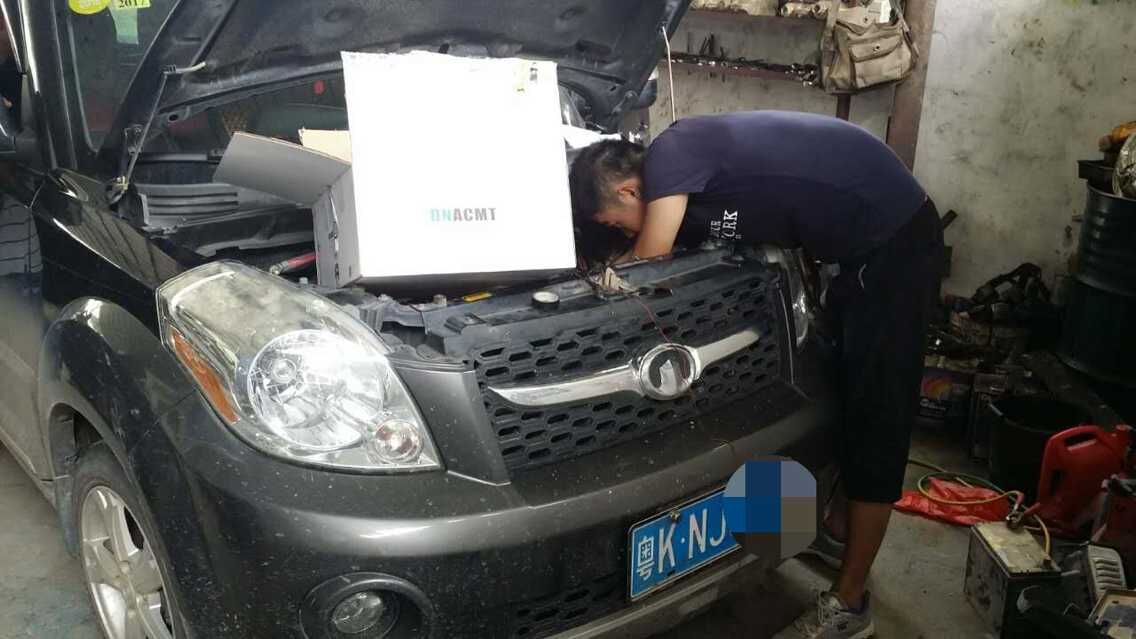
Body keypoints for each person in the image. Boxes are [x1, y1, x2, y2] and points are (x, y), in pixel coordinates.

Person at [569, 111, 944, 639]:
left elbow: (652, 256)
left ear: (630, 191)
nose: (621, 233)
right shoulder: (689, 190)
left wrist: (601, 279)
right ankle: (839, 527)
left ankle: (851, 603)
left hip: (896, 241)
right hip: (854, 254)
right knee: (843, 389)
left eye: (614, 224)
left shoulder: (672, 153)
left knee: (878, 418)